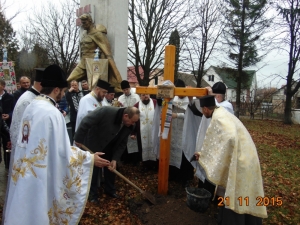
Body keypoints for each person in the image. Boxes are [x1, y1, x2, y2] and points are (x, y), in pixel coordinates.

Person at [3, 64, 110, 224]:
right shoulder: (52, 113)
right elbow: (63, 153)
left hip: (24, 175)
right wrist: (89, 159)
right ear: (56, 89)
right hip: (40, 178)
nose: (63, 94)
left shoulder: (31, 106)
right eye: (63, 91)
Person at [194, 95, 267, 225]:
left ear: (205, 108)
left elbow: (229, 138)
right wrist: (203, 154)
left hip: (240, 160)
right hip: (247, 155)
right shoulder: (221, 113)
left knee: (236, 193)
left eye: (202, 109)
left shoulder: (218, 118)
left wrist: (204, 155)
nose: (202, 112)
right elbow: (219, 143)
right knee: (244, 192)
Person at [74, 106, 140, 202]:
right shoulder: (105, 111)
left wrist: (115, 159)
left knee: (111, 168)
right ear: (126, 116)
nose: (133, 124)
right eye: (132, 121)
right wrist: (78, 138)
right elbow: (86, 122)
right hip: (95, 144)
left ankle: (110, 190)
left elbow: (122, 143)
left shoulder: (130, 126)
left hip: (111, 147)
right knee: (93, 170)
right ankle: (92, 195)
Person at [67, 13, 123, 92]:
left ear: (90, 21)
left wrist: (114, 72)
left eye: (85, 22)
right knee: (70, 80)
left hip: (93, 64)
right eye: (82, 23)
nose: (83, 25)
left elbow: (107, 51)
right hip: (83, 63)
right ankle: (77, 95)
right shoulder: (84, 34)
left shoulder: (98, 34)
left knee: (95, 88)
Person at [9, 68, 44, 170]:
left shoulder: (33, 97)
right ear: (41, 84)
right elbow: (23, 131)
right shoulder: (28, 101)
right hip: (24, 154)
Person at [129, 94, 157, 168]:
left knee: (154, 147)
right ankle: (145, 165)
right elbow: (133, 120)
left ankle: (155, 165)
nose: (146, 96)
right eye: (143, 95)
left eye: (147, 94)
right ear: (140, 96)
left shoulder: (155, 103)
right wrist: (133, 132)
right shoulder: (136, 105)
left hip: (154, 131)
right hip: (141, 132)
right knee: (142, 148)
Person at [0, 80, 14, 169]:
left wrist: (9, 115)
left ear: (3, 86)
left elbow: (14, 109)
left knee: (7, 145)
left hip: (6, 124)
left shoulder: (10, 97)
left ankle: (8, 167)